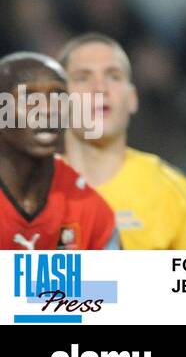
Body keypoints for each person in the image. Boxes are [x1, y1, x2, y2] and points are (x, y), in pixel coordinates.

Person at [61, 33, 186, 249]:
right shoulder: (24, 197)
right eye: (83, 77)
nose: (100, 88)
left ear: (132, 99)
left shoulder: (180, 197)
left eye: (113, 76)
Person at [0, 52, 119, 250]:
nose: (48, 109)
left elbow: (114, 281)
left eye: (58, 96)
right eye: (28, 96)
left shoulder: (90, 210)